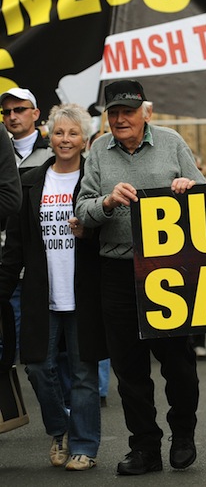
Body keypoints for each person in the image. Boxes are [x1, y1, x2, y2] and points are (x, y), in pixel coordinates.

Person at [75, 80, 204, 475]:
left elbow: (204, 195)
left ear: (145, 112)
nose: (120, 119)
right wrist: (107, 201)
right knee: (129, 368)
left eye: (127, 111)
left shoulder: (171, 143)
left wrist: (188, 188)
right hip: (116, 269)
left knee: (178, 361)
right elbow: (82, 209)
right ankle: (145, 448)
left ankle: (182, 435)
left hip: (168, 269)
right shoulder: (98, 150)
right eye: (113, 112)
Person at [0, 103, 107, 470]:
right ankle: (60, 429)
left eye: (73, 133)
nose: (65, 139)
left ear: (85, 140)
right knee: (36, 367)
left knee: (83, 372)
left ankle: (84, 447)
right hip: (40, 294)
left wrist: (89, 231)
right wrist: (2, 289)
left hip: (84, 293)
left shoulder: (94, 182)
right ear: (49, 134)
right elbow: (15, 245)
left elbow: (109, 233)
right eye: (59, 132)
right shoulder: (31, 181)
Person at [0, 88, 53, 361]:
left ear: (35, 113)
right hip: (7, 260)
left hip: (43, 260)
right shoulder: (2, 152)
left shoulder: (55, 153)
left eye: (19, 109)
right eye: (6, 112)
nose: (12, 116)